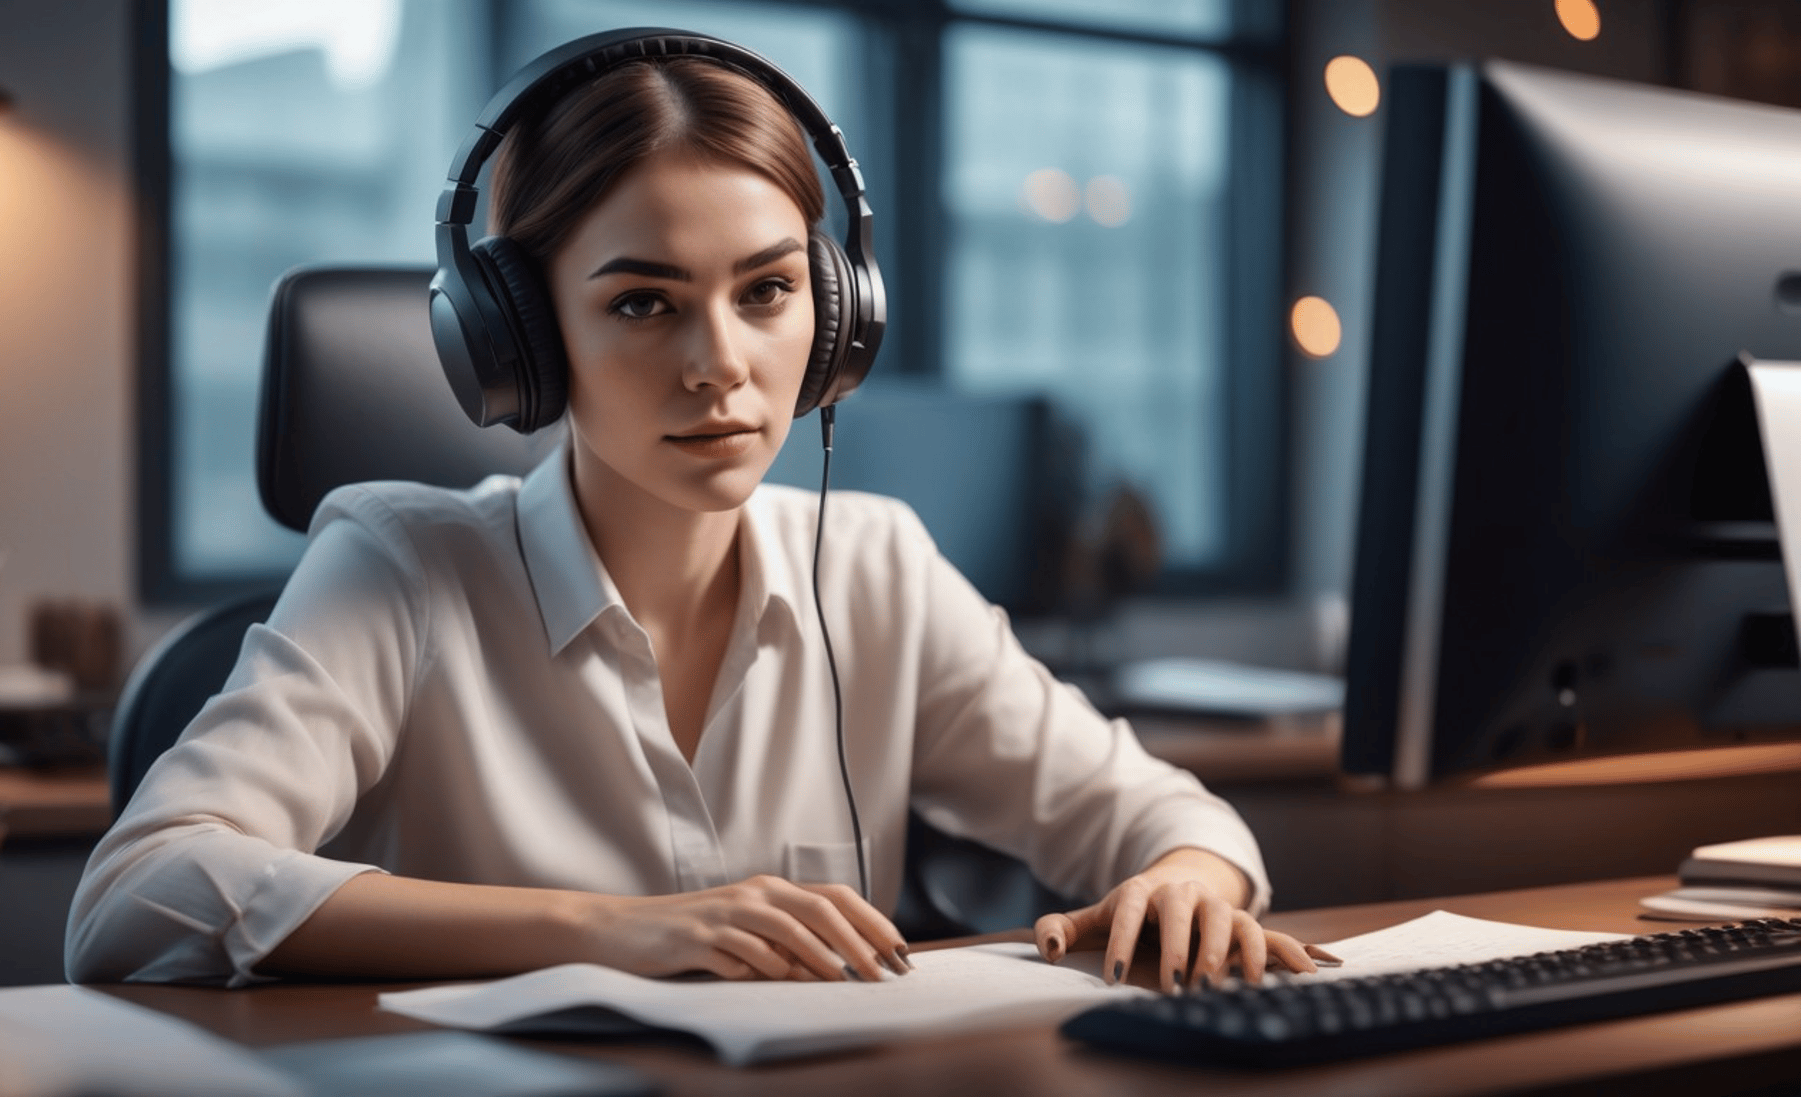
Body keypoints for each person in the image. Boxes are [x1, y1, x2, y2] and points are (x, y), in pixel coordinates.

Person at [66, 31, 1325, 991]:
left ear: (834, 319)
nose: (717, 363)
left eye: (768, 291)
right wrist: (605, 931)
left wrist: (1188, 880)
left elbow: (1164, 815)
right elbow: (133, 894)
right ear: (522, 340)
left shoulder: (873, 566)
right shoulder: (403, 565)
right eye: (642, 302)